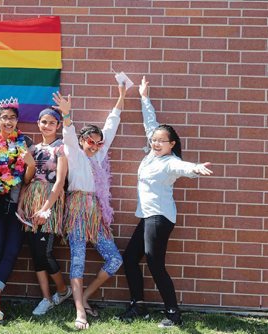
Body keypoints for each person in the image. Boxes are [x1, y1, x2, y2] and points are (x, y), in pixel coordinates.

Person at [118, 76, 213, 328]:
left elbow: (184, 167)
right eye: (154, 140)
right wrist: (144, 96)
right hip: (148, 215)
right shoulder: (152, 152)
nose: (156, 142)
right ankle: (138, 306)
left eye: (162, 141)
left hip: (160, 217)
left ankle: (173, 313)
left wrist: (196, 168)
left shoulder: (170, 161)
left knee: (154, 262)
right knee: (129, 259)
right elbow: (150, 123)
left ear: (172, 144)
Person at [54, 83, 126, 330]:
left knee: (114, 259)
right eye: (90, 142)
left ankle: (84, 298)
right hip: (76, 209)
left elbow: (111, 124)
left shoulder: (100, 155)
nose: (94, 146)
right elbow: (68, 133)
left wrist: (122, 96)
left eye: (98, 143)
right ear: (83, 140)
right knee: (78, 260)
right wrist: (65, 114)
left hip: (95, 211)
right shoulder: (73, 152)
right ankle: (79, 311)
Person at [0, 97, 36, 321]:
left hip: (16, 203)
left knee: (11, 249)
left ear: (17, 120)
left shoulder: (25, 142)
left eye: (12, 118)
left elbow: (29, 180)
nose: (8, 122)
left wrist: (30, 163)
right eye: (4, 118)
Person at [18, 108, 72, 316]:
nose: (47, 126)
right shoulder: (33, 149)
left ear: (58, 125)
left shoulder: (61, 148)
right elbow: (27, 180)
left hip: (49, 203)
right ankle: (46, 298)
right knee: (34, 251)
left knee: (46, 251)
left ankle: (63, 290)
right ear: (38, 123)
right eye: (44, 122)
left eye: (52, 122)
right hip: (32, 201)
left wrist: (45, 209)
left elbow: (59, 182)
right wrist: (22, 204)